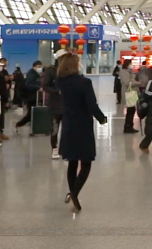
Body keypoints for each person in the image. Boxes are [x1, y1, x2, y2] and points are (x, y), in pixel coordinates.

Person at [55, 53, 107, 212]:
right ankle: (74, 194)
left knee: (72, 161)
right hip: (83, 125)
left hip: (68, 124)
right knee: (86, 161)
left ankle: (73, 194)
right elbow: (92, 105)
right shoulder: (84, 82)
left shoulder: (61, 82)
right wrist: (102, 119)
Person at [41, 54, 66, 160]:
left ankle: (65, 150)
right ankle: (54, 148)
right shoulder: (51, 71)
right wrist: (56, 91)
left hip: (67, 105)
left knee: (67, 129)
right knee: (55, 128)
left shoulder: (69, 71)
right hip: (55, 105)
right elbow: (45, 86)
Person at [14, 61, 43, 133]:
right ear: (34, 66)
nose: (40, 68)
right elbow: (28, 85)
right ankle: (19, 124)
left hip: (32, 96)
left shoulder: (35, 74)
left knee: (32, 114)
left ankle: (33, 128)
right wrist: (38, 88)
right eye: (39, 67)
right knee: (30, 114)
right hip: (31, 97)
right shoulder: (32, 74)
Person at [120, 59, 139, 134]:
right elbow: (127, 83)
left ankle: (130, 125)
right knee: (130, 110)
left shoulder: (129, 72)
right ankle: (128, 126)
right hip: (128, 93)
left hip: (131, 93)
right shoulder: (124, 72)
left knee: (132, 110)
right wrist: (137, 83)